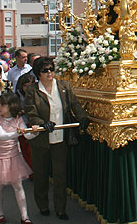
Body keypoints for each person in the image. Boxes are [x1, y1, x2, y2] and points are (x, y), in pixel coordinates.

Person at [25, 57, 89, 221]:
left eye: (51, 69)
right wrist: (41, 123)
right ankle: (43, 205)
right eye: (45, 70)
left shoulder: (64, 86)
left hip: (60, 138)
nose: (49, 73)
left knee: (60, 175)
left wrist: (82, 117)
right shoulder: (33, 90)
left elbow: (74, 104)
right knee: (41, 174)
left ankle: (61, 209)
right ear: (38, 73)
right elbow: (30, 113)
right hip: (41, 140)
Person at [0, 92, 35, 224]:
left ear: (11, 105)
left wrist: (34, 131)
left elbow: (28, 136)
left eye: (3, 104)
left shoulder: (18, 119)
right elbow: (2, 136)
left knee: (18, 186)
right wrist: (18, 132)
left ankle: (25, 216)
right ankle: (0, 214)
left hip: (13, 156)